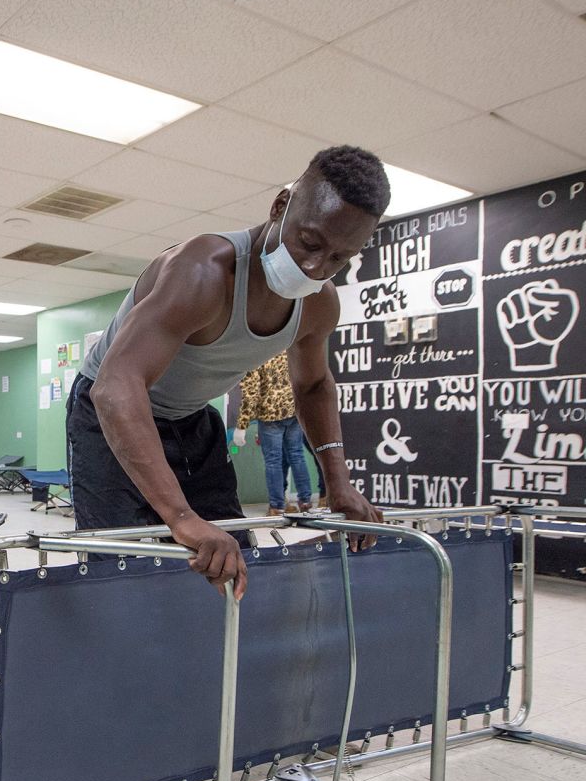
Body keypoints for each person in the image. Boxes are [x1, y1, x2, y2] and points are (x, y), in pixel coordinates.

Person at [70, 145, 389, 598]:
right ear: (280, 206)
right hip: (107, 410)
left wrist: (338, 484)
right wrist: (181, 519)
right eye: (310, 242)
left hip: (191, 417)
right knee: (118, 568)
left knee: (228, 555)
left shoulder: (319, 303)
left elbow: (314, 385)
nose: (316, 267)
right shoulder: (202, 271)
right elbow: (116, 387)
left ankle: (210, 658)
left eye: (340, 258)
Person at [236, 352, 313, 514]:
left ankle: (277, 506)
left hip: (270, 415)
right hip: (293, 410)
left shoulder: (256, 356)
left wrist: (242, 425)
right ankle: (305, 501)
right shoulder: (287, 350)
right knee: (297, 455)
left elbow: (251, 392)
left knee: (273, 461)